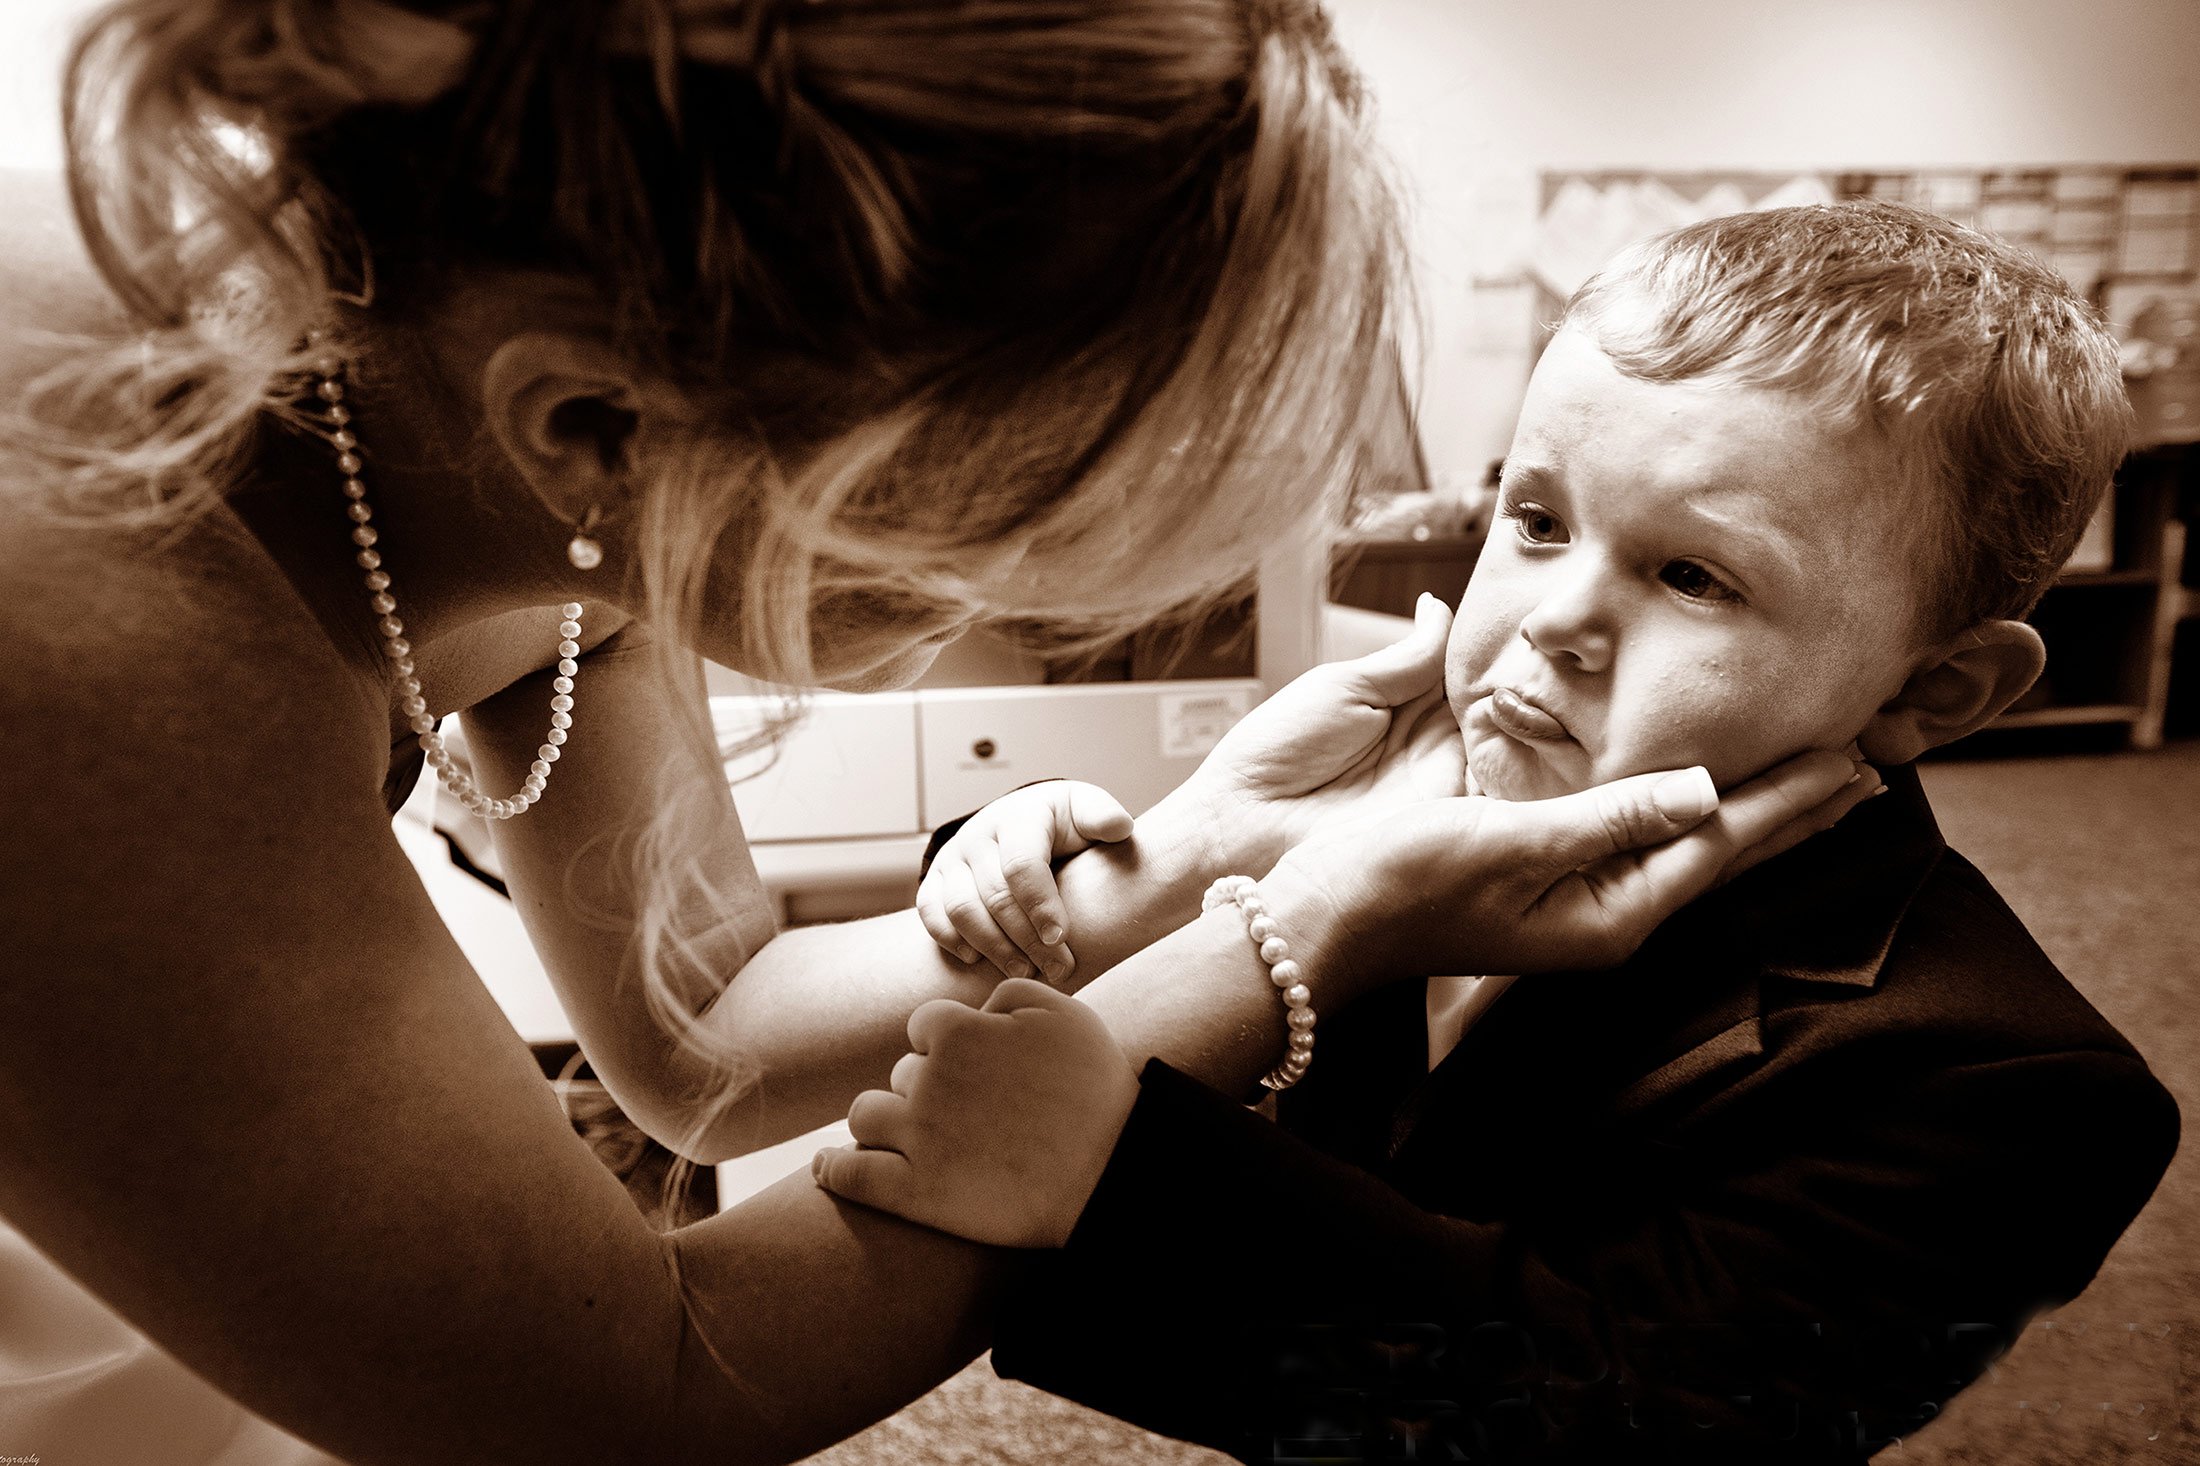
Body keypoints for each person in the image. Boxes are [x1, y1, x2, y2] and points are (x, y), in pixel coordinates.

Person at [0, 2, 1873, 1462]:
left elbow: (701, 1041)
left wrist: (1211, 837)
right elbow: (625, 1383)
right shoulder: (81, 609)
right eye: (997, 538)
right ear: (592, 429)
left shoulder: (512, 435)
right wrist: (1312, 931)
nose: (1013, 616)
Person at [821, 202, 2185, 1462]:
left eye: (1693, 575)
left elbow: (1609, 1411)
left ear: (1930, 689)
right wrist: (1070, 863)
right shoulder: (1417, 771)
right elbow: (1164, 908)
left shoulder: (1999, 1080)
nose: (1550, 619)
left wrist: (1122, 1175)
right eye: (1536, 521)